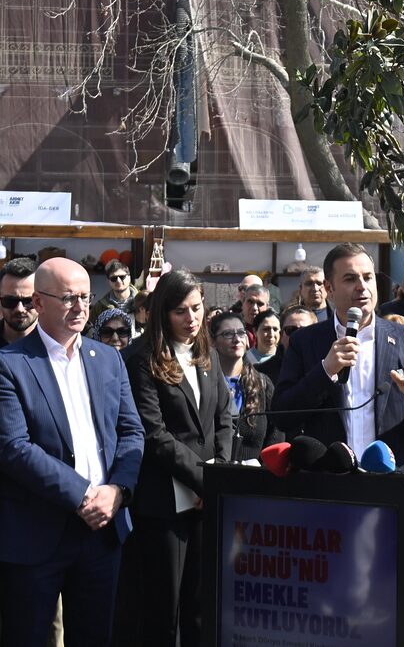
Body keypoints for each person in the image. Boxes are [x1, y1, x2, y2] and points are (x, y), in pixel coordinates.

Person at [0, 256, 145, 647]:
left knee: (95, 636)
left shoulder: (108, 359)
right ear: (38, 302)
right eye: (68, 298)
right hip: (37, 534)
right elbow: (13, 448)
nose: (80, 307)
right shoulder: (5, 365)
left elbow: (131, 432)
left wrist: (117, 491)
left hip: (103, 531)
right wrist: (85, 494)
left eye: (85, 297)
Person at [124, 270, 233, 647]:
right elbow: (154, 434)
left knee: (201, 606)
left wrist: (218, 469)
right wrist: (203, 479)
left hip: (206, 499)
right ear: (161, 313)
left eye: (197, 308)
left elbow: (223, 418)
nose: (192, 319)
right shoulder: (140, 358)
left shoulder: (207, 353)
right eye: (181, 311)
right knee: (162, 610)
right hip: (164, 502)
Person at [274, 243, 404, 469]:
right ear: (329, 288)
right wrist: (324, 371)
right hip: (327, 478)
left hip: (392, 482)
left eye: (368, 277)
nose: (362, 287)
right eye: (350, 279)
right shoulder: (305, 341)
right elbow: (282, 415)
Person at [213, 312, 280, 462]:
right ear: (214, 341)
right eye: (228, 334)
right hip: (214, 474)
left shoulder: (262, 384)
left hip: (256, 478)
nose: (236, 339)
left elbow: (275, 434)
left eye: (241, 333)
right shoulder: (205, 383)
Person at [244, 309, 284, 384]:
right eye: (266, 329)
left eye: (275, 329)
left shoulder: (285, 358)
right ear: (255, 331)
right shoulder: (245, 359)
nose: (271, 334)